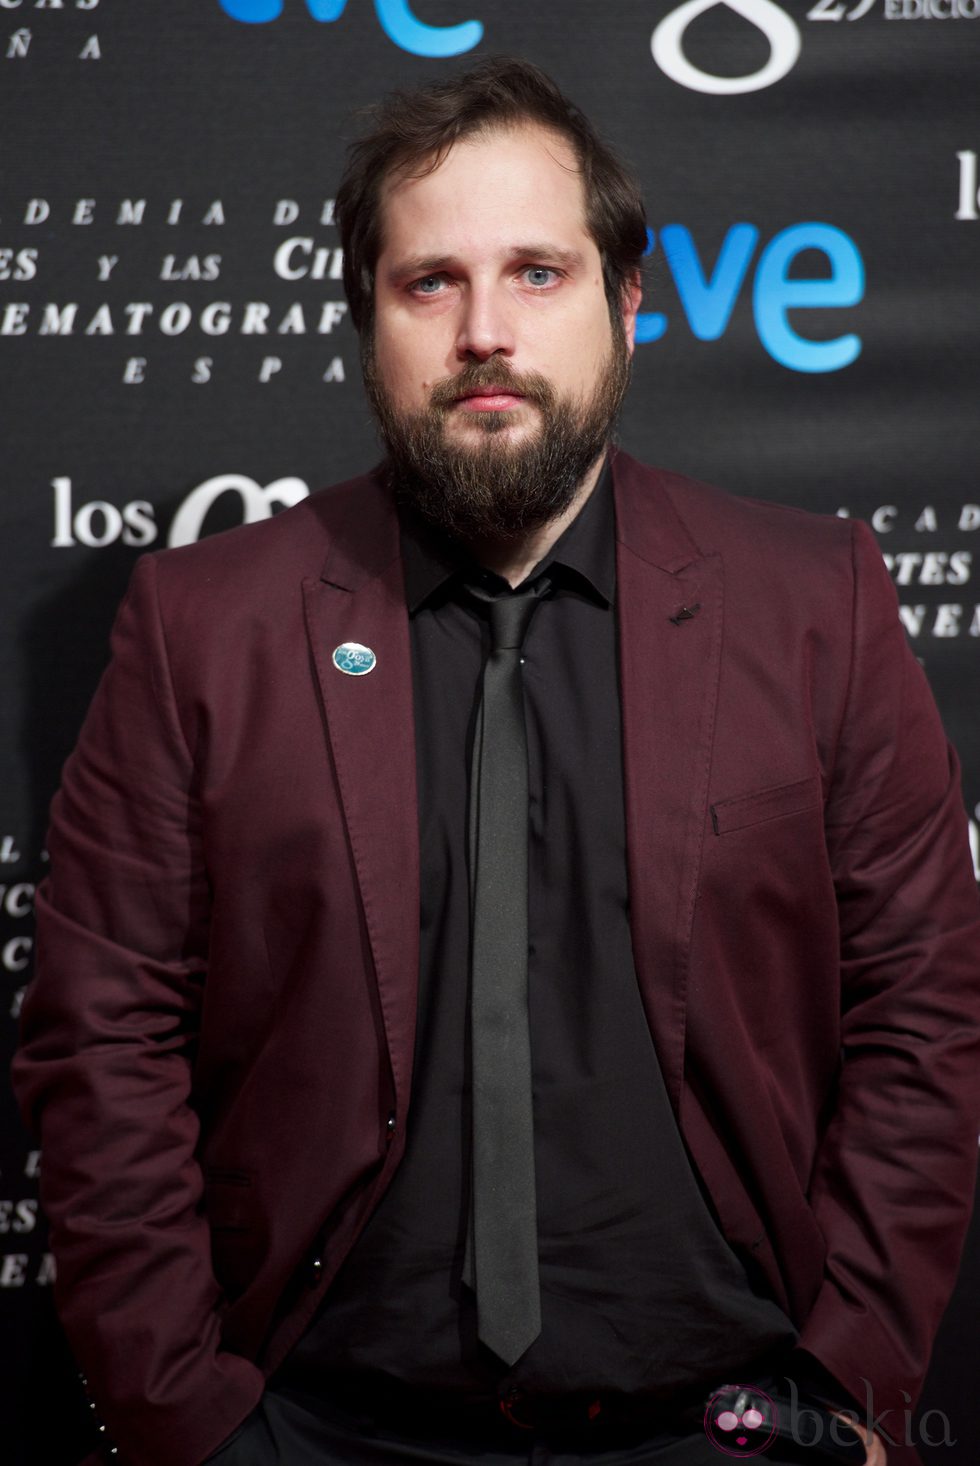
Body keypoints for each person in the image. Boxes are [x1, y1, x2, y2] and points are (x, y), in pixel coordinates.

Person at [12, 56, 980, 1466]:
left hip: (734, 1424)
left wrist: (852, 1381)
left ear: (627, 303)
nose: (485, 331)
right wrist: (186, 1421)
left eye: (537, 272)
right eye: (430, 283)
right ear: (366, 321)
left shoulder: (812, 602)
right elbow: (102, 1034)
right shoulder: (202, 625)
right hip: (315, 1427)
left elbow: (924, 1006)